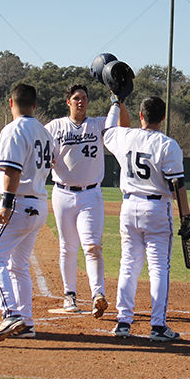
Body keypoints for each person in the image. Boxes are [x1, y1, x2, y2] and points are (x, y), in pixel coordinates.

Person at [103, 96, 190, 342]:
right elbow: (178, 184)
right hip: (156, 208)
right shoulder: (168, 144)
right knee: (158, 268)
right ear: (163, 118)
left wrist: (115, 102)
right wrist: (186, 216)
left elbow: (107, 130)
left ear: (141, 116)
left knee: (129, 265)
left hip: (129, 205)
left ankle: (123, 321)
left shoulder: (125, 136)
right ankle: (158, 325)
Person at [45, 84, 129, 317]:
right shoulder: (55, 126)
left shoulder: (98, 124)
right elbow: (40, 146)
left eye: (84, 98)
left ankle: (97, 294)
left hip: (91, 194)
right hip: (62, 193)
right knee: (67, 246)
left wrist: (119, 101)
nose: (80, 101)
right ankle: (69, 295)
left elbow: (123, 125)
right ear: (68, 102)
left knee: (92, 246)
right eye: (76, 98)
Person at [0, 83, 55, 342]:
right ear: (34, 105)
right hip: (39, 202)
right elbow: (45, 163)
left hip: (19, 204)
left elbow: (14, 171)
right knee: (19, 265)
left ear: (10, 103)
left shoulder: (13, 129)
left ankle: (11, 314)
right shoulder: (44, 132)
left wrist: (6, 202)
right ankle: (26, 322)